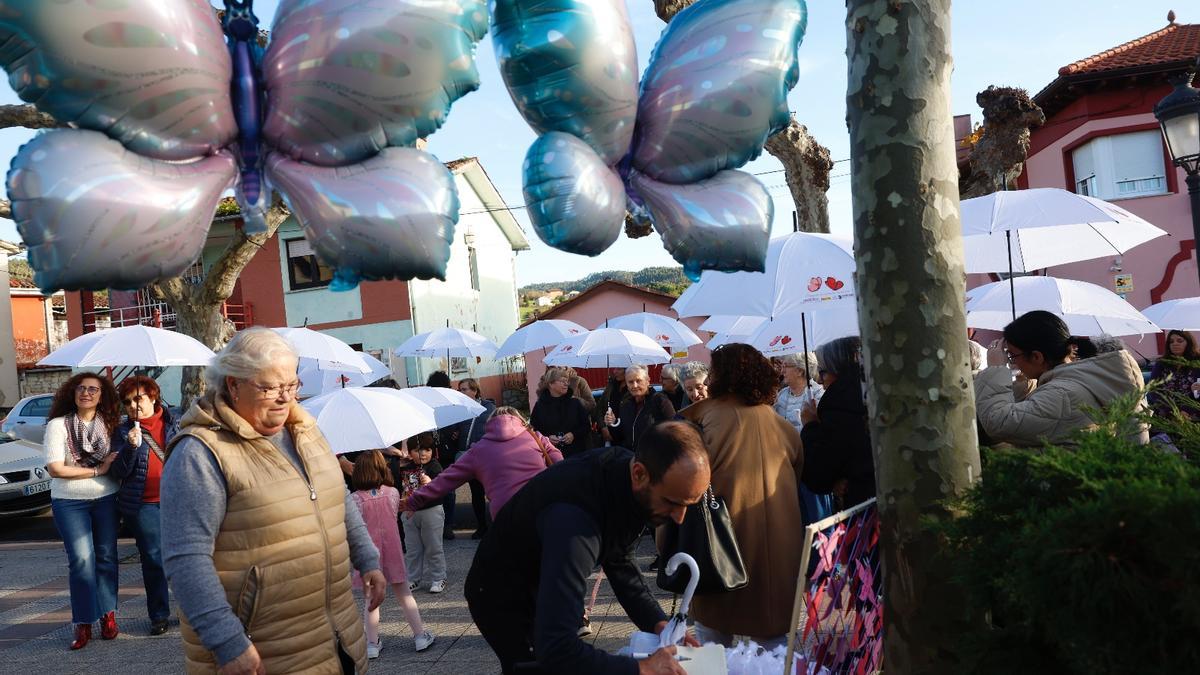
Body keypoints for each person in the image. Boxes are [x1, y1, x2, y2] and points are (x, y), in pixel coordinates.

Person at [161, 327, 386, 674]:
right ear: (233, 384)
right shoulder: (200, 452)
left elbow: (335, 495)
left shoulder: (304, 429)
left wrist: (367, 558)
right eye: (270, 388)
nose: (285, 398)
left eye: (291, 385)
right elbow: (185, 559)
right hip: (260, 652)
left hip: (334, 635)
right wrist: (227, 643)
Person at [465, 421, 710, 675]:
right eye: (672, 502)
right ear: (639, 474)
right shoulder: (574, 521)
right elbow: (558, 649)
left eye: (689, 505)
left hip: (540, 570)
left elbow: (620, 560)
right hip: (502, 592)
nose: (680, 518)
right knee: (535, 664)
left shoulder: (628, 479)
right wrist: (644, 668)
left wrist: (660, 624)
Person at [680, 344, 805, 648]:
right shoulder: (781, 425)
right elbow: (798, 475)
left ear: (723, 375)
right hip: (778, 545)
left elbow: (683, 483)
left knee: (713, 640)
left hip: (721, 546)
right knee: (774, 644)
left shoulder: (704, 421)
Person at [975, 310, 1150, 447]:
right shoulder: (1079, 380)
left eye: (1012, 356)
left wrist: (996, 369)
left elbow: (999, 423)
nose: (1012, 363)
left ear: (1037, 357)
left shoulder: (1063, 394)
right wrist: (1026, 383)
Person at [44, 373, 122, 650]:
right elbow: (55, 469)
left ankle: (107, 615)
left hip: (106, 498)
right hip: (69, 502)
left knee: (106, 558)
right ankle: (83, 622)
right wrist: (96, 470)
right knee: (81, 561)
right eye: (81, 388)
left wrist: (134, 441)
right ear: (72, 392)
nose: (86, 393)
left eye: (93, 389)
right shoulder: (58, 426)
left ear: (102, 396)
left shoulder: (113, 425)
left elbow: (124, 460)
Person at [108, 375, 178, 637]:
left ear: (153, 396)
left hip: (180, 500)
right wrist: (129, 447)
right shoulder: (123, 432)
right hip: (144, 504)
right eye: (127, 402)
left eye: (138, 399)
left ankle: (193, 611)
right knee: (153, 559)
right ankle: (159, 615)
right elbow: (118, 472)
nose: (133, 406)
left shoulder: (177, 421)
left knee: (190, 557)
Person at [402, 407, 562, 520]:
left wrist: (413, 501)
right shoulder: (535, 437)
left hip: (504, 513)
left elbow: (445, 481)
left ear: (489, 425)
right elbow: (558, 461)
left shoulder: (478, 450)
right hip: (540, 505)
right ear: (519, 420)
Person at [349, 450, 435, 657]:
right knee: (405, 595)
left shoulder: (354, 499)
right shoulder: (392, 492)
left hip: (369, 557)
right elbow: (398, 508)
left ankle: (372, 643)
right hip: (393, 551)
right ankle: (420, 636)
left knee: (370, 600)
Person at [799, 337, 876, 510]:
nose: (819, 379)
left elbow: (818, 474)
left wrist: (810, 425)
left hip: (864, 510)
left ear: (837, 368)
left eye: (822, 371)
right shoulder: (872, 388)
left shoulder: (839, 403)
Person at [772, 352, 832, 525]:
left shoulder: (818, 395)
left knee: (819, 520)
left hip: (812, 466)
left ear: (799, 371)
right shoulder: (781, 395)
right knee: (796, 518)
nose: (782, 370)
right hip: (787, 466)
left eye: (786, 366)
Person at [397, 432, 448, 594]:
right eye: (418, 450)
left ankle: (438, 577)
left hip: (431, 511)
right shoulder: (404, 467)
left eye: (428, 450)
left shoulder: (434, 466)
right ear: (410, 452)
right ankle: (413, 578)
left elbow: (443, 487)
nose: (424, 453)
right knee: (413, 549)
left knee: (433, 546)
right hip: (409, 513)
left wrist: (431, 483)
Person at [455, 377, 496, 539]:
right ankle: (482, 527)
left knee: (491, 493)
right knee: (476, 493)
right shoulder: (460, 409)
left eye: (465, 389)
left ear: (475, 391)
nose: (462, 392)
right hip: (469, 456)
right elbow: (457, 429)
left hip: (486, 457)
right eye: (460, 389)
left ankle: (496, 526)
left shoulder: (488, 407)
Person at [605, 365, 676, 453]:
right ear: (627, 384)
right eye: (630, 382)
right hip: (632, 459)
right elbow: (620, 437)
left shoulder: (660, 401)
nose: (634, 385)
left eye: (638, 381)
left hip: (656, 458)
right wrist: (612, 423)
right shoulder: (626, 405)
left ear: (647, 381)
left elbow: (674, 430)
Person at [426, 371, 460, 540]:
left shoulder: (450, 403)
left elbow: (459, 424)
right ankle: (445, 525)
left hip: (441, 453)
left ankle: (445, 526)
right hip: (439, 454)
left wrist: (455, 432)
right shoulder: (430, 404)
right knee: (446, 491)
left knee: (443, 491)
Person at [530, 367, 592, 457]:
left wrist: (573, 434)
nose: (566, 384)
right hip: (552, 456)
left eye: (567, 381)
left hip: (577, 454)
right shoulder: (540, 406)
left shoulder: (575, 403)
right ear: (551, 384)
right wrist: (547, 437)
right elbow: (534, 430)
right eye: (562, 381)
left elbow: (586, 426)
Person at [1148, 330, 1200, 423]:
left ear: (1188, 342)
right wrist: (1173, 411)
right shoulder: (1162, 363)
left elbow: (1197, 392)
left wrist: (1185, 410)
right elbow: (1153, 390)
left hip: (1192, 412)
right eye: (1171, 341)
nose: (1175, 344)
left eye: (1180, 341)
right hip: (1166, 412)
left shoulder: (1197, 363)